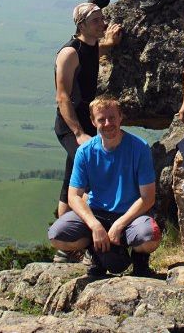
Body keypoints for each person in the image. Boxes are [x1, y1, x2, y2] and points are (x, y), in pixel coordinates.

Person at [47, 96, 161, 278]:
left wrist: (119, 225)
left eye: (112, 117)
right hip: (97, 212)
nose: (108, 123)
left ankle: (139, 260)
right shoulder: (85, 152)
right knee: (56, 235)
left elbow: (148, 198)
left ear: (120, 117)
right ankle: (96, 252)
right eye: (101, 119)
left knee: (149, 238)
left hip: (130, 214)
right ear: (93, 122)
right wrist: (95, 226)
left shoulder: (139, 148)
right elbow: (73, 196)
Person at [54, 3, 123, 223]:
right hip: (70, 125)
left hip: (87, 122)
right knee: (90, 172)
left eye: (102, 19)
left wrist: (109, 43)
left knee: (70, 179)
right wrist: (78, 133)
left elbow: (92, 54)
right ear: (81, 25)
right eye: (95, 21)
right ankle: (89, 226)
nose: (102, 23)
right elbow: (62, 97)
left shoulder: (90, 46)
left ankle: (64, 233)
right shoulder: (69, 53)